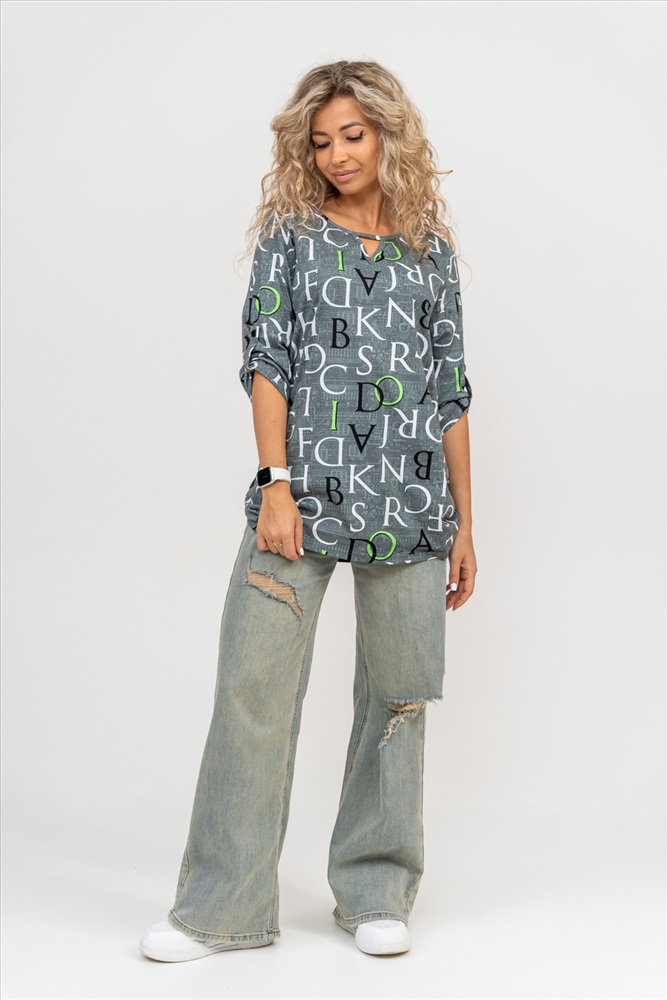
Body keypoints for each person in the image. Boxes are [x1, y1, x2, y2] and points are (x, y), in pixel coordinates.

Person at [140, 59, 477, 962]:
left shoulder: (428, 251)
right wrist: (277, 482)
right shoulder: (290, 239)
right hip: (301, 498)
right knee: (251, 691)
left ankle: (374, 889)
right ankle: (220, 908)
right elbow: (268, 363)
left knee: (396, 701)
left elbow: (449, 391)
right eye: (320, 142)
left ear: (388, 134)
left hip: (411, 504)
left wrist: (465, 525)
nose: (336, 155)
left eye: (352, 135)